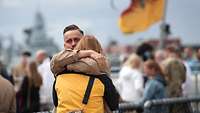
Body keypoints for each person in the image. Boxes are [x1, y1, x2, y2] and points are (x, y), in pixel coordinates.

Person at [50, 25, 118, 113]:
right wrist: (90, 53)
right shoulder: (101, 76)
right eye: (69, 41)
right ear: (64, 45)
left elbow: (56, 102)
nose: (73, 44)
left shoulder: (59, 74)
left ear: (82, 41)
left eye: (76, 40)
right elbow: (114, 104)